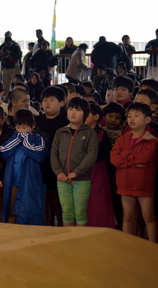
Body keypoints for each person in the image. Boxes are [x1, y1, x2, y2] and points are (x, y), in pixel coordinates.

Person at [111, 102, 157, 242]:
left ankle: (153, 247)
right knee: (127, 216)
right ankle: (128, 246)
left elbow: (144, 159)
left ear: (147, 119)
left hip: (143, 184)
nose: (131, 118)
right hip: (125, 183)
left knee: (148, 217)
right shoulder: (122, 138)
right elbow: (114, 159)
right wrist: (133, 161)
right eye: (129, 115)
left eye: (136, 115)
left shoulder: (151, 141)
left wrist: (125, 155)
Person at [51, 97, 98, 227]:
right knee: (66, 213)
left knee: (80, 213)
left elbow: (91, 155)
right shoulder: (60, 132)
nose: (73, 112)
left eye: (78, 110)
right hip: (62, 179)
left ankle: (80, 240)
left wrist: (76, 173)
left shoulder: (90, 133)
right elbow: (53, 154)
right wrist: (59, 172)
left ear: (85, 114)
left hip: (82, 179)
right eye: (71, 109)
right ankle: (69, 239)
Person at [0, 109, 47, 225]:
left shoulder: (38, 139)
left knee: (29, 212)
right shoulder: (15, 137)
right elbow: (3, 150)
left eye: (24, 128)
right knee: (11, 211)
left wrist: (26, 139)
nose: (21, 131)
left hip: (29, 182)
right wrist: (18, 138)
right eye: (18, 127)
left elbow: (39, 155)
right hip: (13, 181)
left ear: (33, 126)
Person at [36, 86, 69, 226]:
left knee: (59, 203)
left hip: (59, 168)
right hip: (40, 168)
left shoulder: (66, 122)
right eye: (45, 100)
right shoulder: (36, 121)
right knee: (43, 203)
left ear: (62, 102)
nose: (47, 103)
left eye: (51, 100)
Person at [84, 103, 115, 228]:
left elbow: (96, 153)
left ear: (96, 117)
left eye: (87, 114)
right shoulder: (78, 131)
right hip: (82, 172)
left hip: (97, 172)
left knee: (98, 202)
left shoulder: (100, 133)